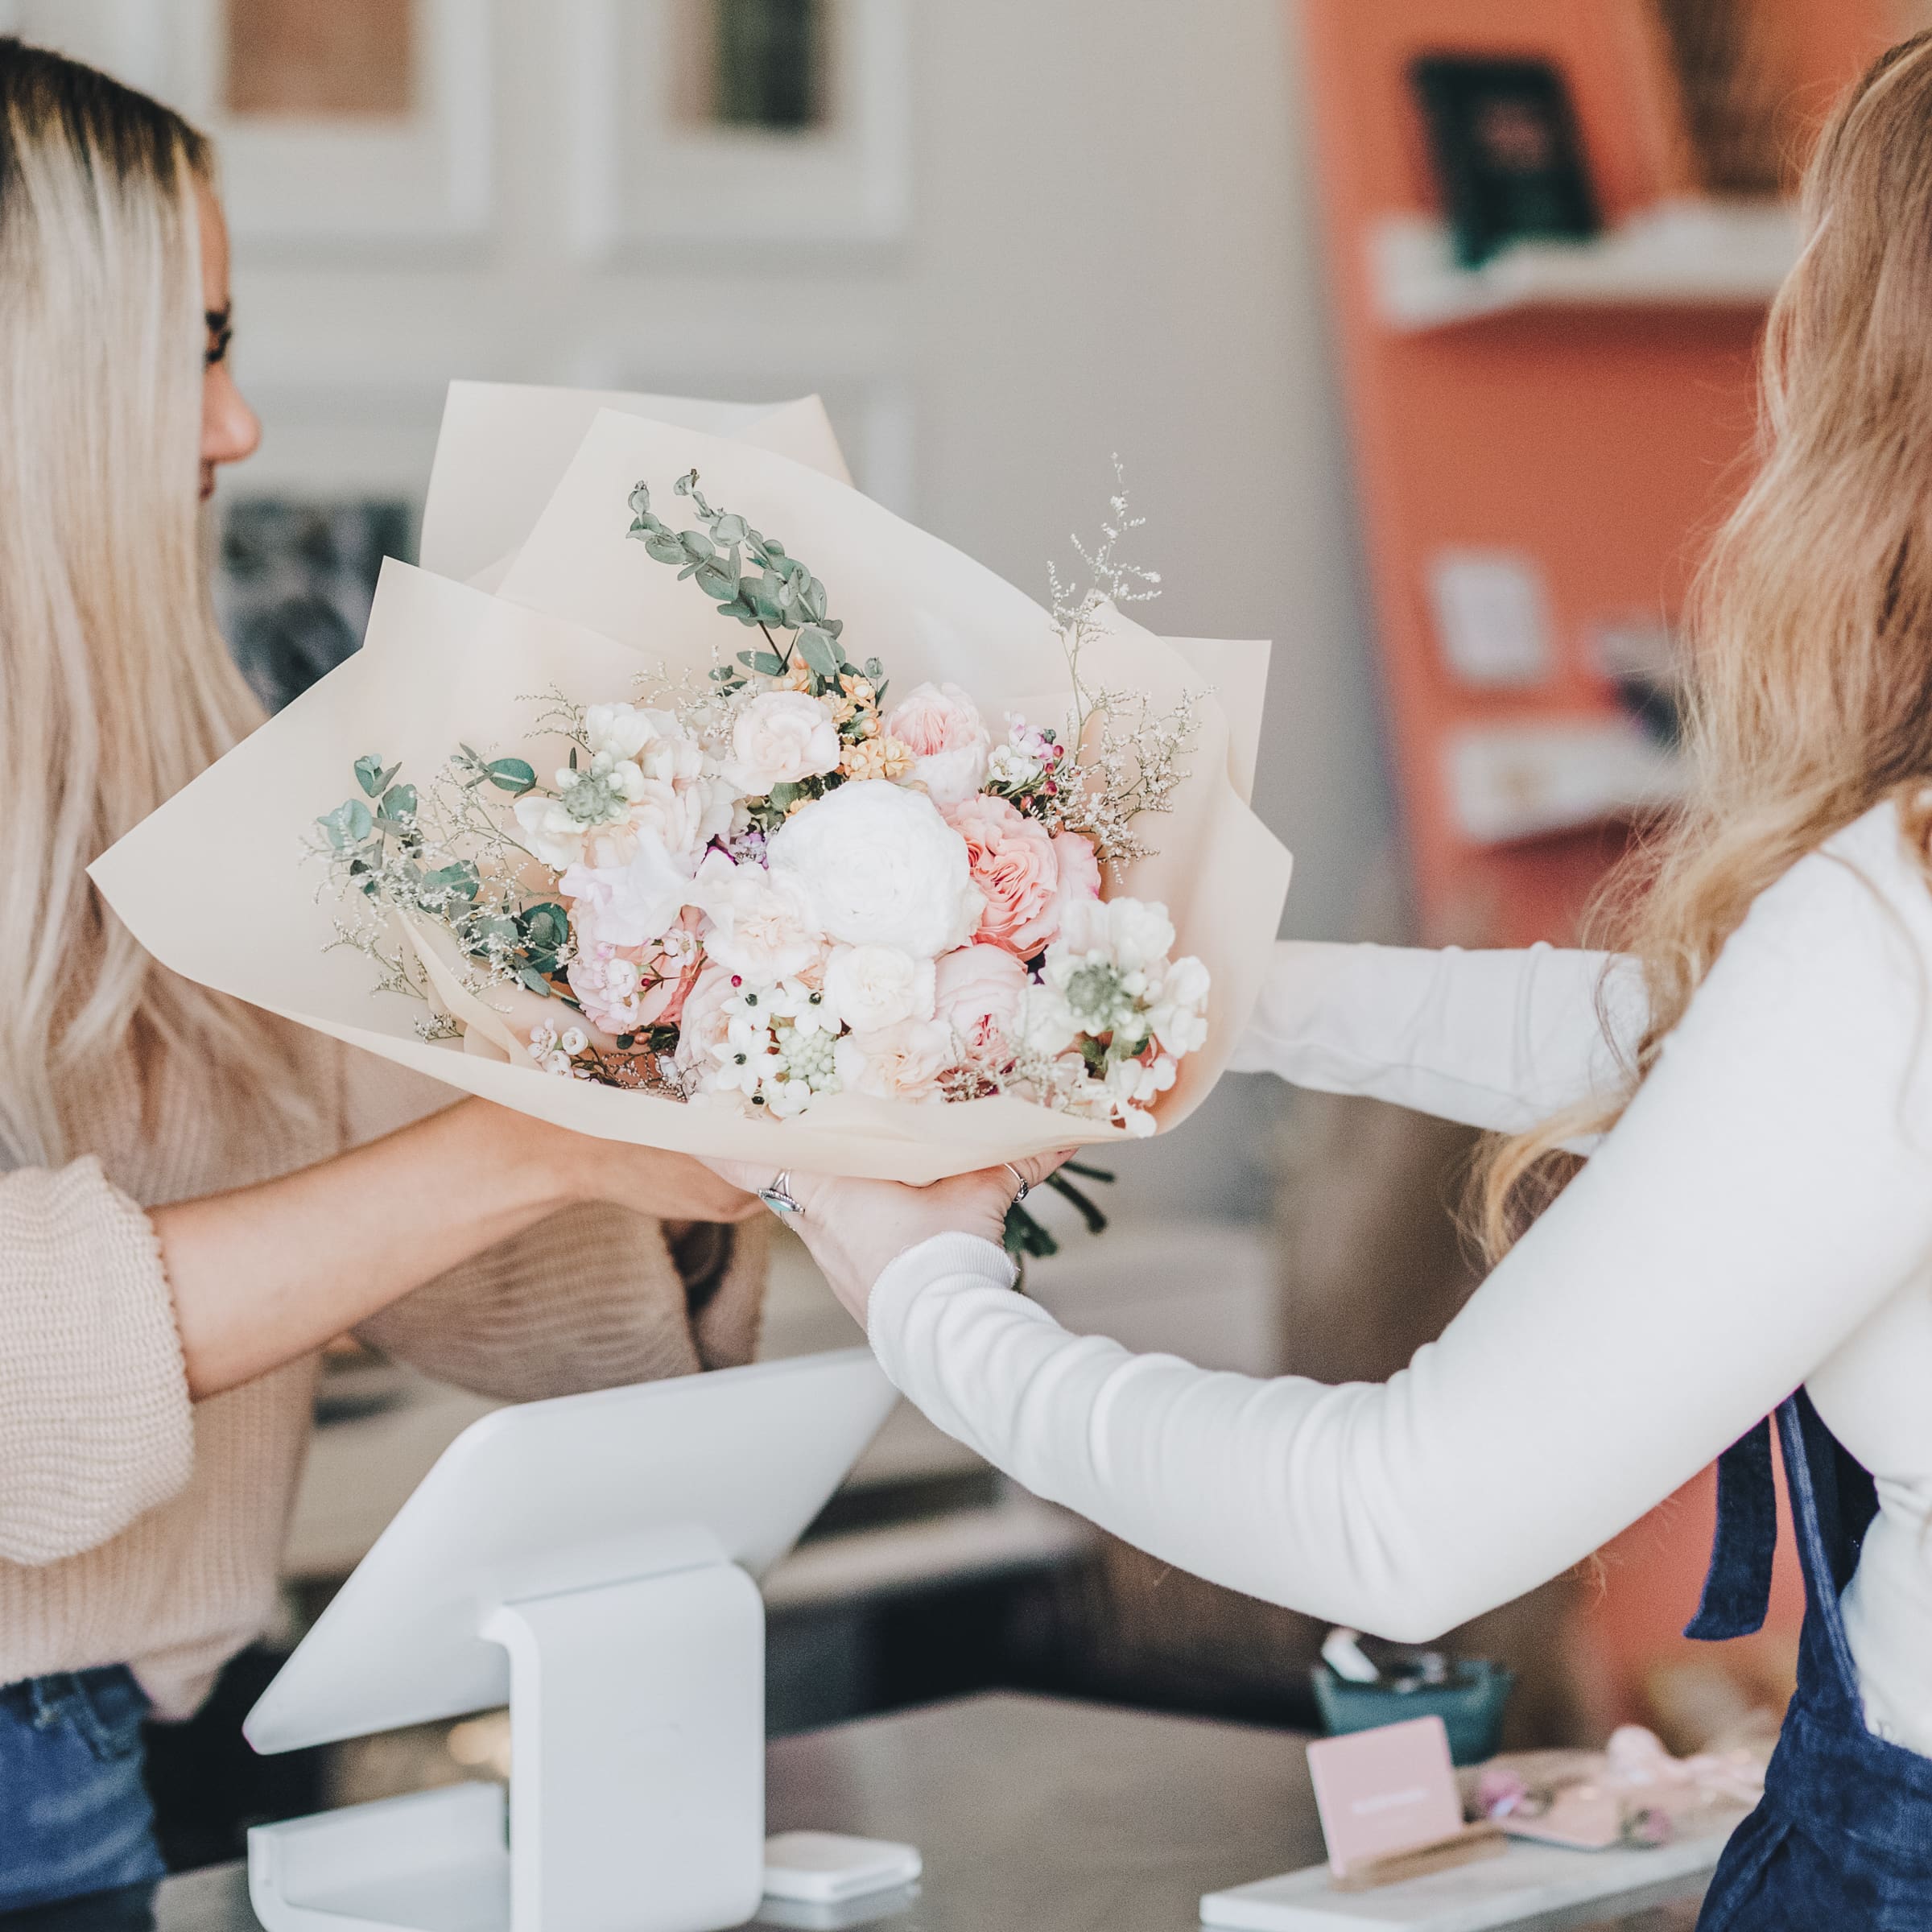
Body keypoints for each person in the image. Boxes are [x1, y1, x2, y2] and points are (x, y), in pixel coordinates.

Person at [722, 35, 1932, 1930]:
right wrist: (1210, 994)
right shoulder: (1865, 960)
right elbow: (1733, 1074)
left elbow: (1402, 1520)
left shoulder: (1893, 921)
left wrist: (930, 1299)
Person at [0, 39, 762, 1912]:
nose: (236, 426)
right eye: (197, 348)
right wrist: (525, 1146)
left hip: (109, 1752)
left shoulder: (171, 766)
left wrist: (694, 1110)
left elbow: (471, 1273)